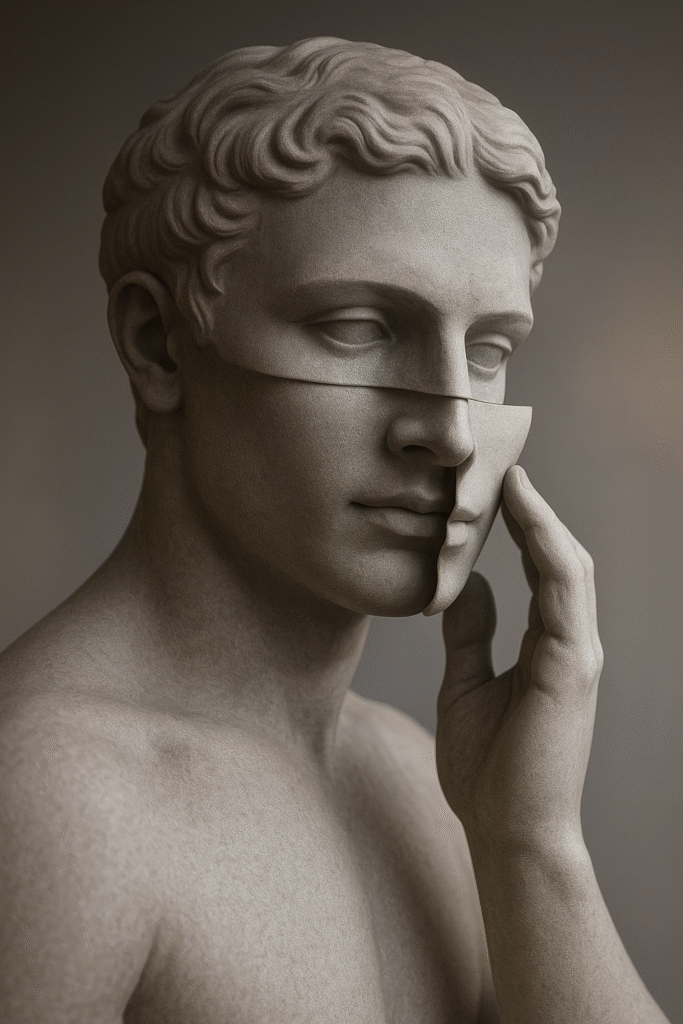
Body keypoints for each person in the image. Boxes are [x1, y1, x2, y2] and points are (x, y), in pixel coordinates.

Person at [0, 36, 669, 1024]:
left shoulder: (422, 779)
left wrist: (528, 845)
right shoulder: (54, 802)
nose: (445, 427)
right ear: (157, 345)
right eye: (358, 328)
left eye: (488, 349)